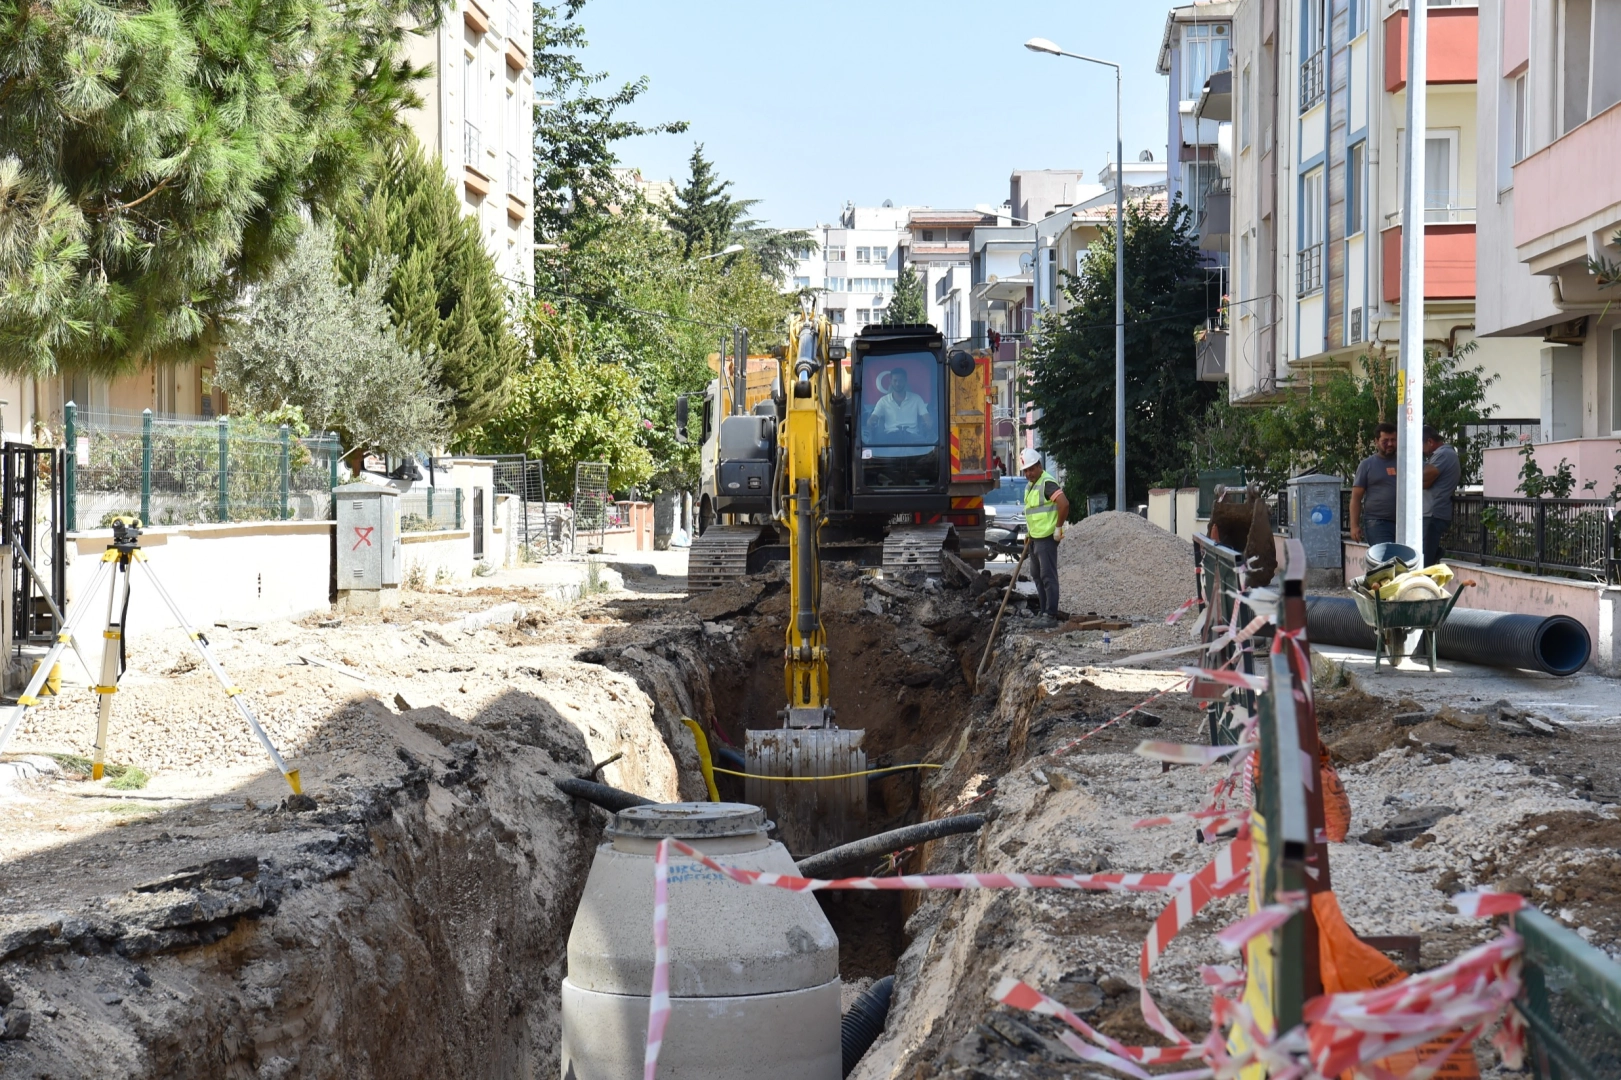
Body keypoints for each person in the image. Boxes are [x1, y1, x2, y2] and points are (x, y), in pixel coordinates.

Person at [1019, 448, 1070, 629]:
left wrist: (1058, 528)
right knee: (1037, 576)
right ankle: (1043, 611)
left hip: (1047, 537)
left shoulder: (1047, 482)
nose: (1028, 473)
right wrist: (1028, 535)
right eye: (1025, 470)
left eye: (1031, 469)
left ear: (1039, 466)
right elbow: (1032, 513)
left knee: (1048, 576)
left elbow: (1064, 504)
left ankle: (1051, 614)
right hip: (1034, 538)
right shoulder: (1030, 486)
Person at [1349, 422, 1398, 547]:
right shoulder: (1367, 465)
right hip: (1377, 522)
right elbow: (1356, 498)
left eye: (1393, 440)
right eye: (1385, 441)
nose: (1390, 444)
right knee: (1386, 560)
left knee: (1403, 562)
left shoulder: (1405, 462)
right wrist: (1354, 526)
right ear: (1376, 441)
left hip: (1403, 523)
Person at [1421, 424, 1460, 567]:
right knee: (1425, 553)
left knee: (1425, 558)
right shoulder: (1443, 454)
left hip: (1433, 512)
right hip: (1432, 512)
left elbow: (1423, 479)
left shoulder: (1443, 454)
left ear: (1430, 442)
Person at [867, 368, 930, 440]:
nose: (897, 384)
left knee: (923, 441)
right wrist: (870, 421)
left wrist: (928, 422)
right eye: (895, 380)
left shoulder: (916, 399)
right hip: (889, 437)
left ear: (905, 381)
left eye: (900, 380)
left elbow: (926, 416)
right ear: (890, 381)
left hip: (912, 437)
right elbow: (874, 416)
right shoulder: (883, 401)